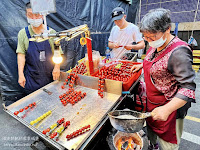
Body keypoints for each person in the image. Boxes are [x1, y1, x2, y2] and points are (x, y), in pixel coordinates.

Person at [131, 8, 196, 150]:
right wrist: (142, 66)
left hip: (170, 109)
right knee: (151, 135)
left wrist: (166, 109)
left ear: (167, 29)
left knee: (168, 145)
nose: (148, 40)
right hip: (152, 102)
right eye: (145, 37)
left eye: (152, 36)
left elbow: (188, 88)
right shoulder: (156, 43)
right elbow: (156, 62)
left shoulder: (179, 52)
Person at [16, 2, 62, 94]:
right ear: (26, 15)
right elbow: (21, 55)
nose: (34, 18)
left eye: (36, 15)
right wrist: (20, 74)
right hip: (32, 79)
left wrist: (57, 68)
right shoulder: (23, 33)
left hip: (50, 77)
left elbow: (58, 53)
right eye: (30, 15)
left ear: (42, 15)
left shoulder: (51, 33)